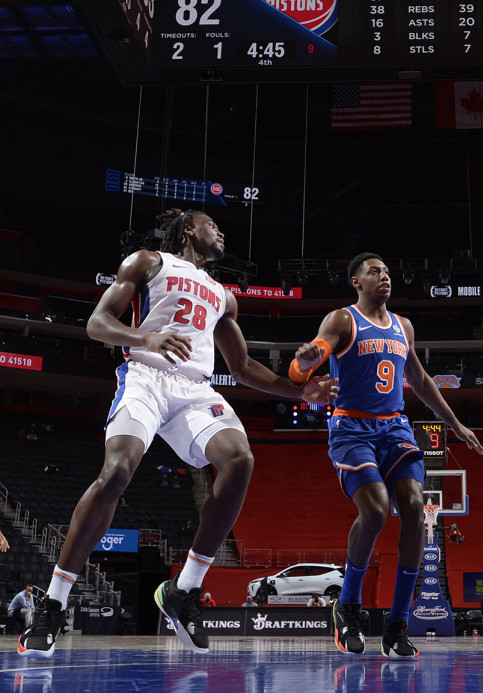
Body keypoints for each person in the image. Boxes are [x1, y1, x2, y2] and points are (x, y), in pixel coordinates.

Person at [17, 209, 338, 660]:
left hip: (194, 390)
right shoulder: (148, 262)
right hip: (145, 376)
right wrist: (145, 339)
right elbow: (97, 323)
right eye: (212, 225)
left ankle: (184, 589)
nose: (220, 232)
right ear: (189, 229)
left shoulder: (223, 296)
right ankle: (53, 603)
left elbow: (242, 367)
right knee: (116, 473)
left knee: (240, 459)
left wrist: (300, 391)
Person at [292, 252, 483, 660]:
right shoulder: (342, 320)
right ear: (356, 282)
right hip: (351, 428)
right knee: (377, 509)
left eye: (386, 271)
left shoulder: (403, 326)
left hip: (394, 427)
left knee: (416, 508)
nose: (384, 276)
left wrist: (454, 423)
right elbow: (309, 360)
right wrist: (302, 365)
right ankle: (347, 607)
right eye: (374, 271)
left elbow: (419, 378)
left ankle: (397, 624)